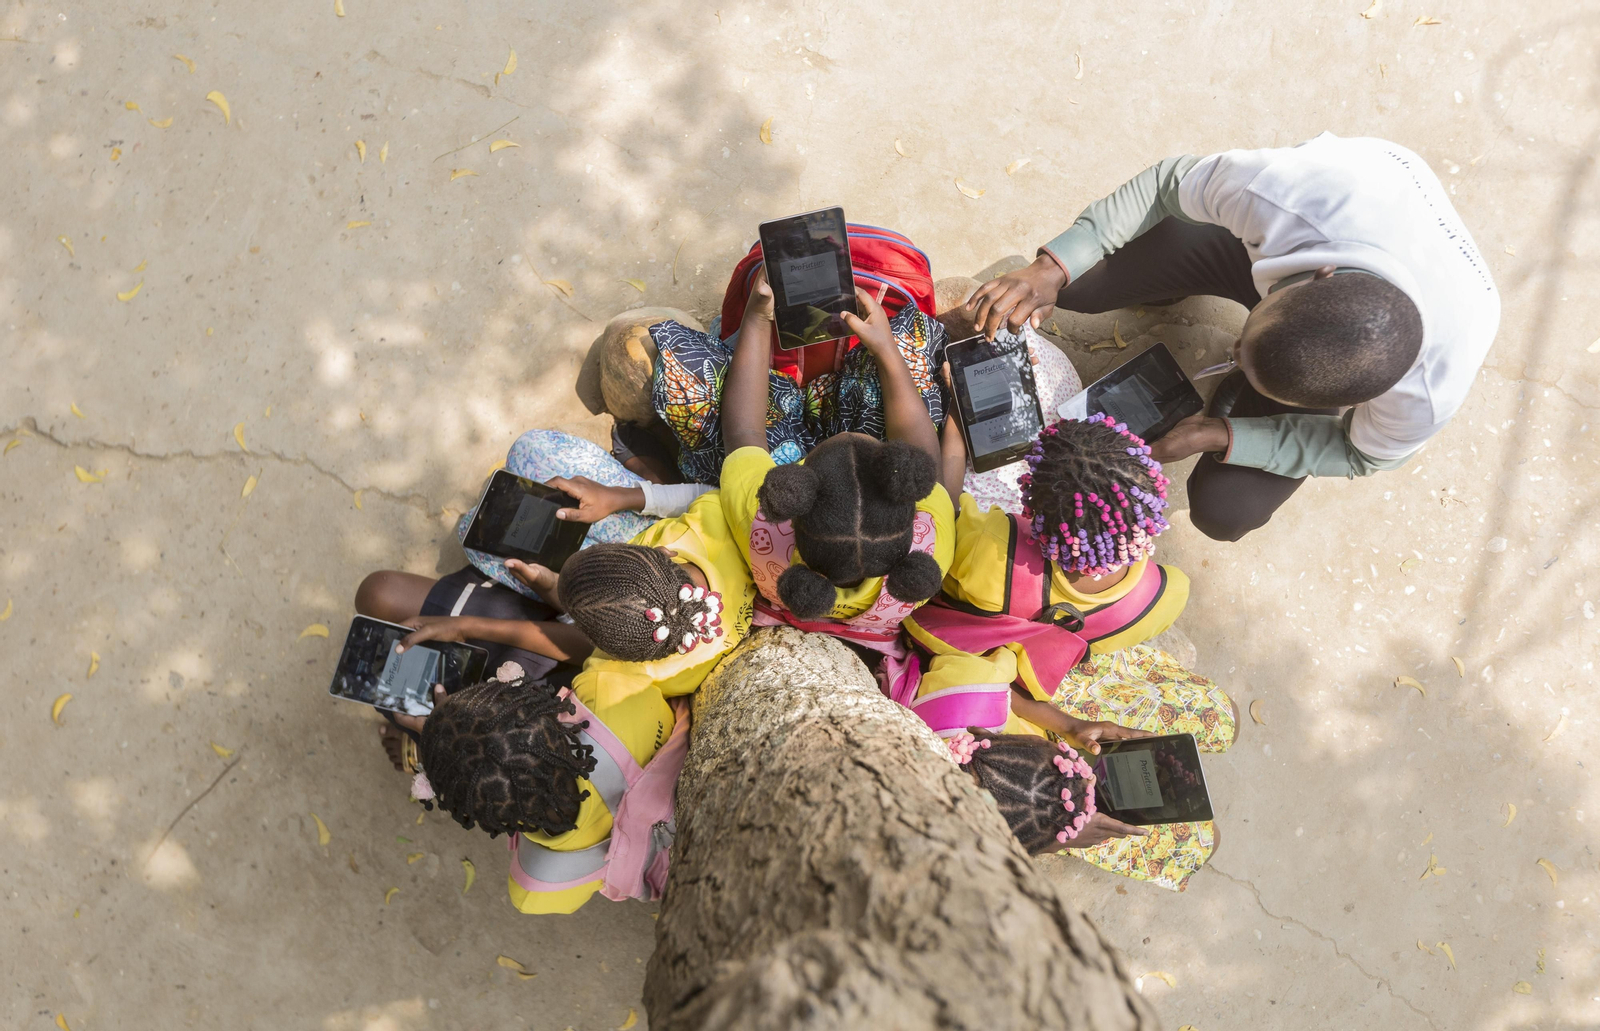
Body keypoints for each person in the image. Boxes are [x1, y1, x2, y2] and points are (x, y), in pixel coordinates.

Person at [966, 132, 1500, 541]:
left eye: (1246, 367)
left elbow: (1363, 455)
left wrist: (1221, 435)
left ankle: (1240, 399)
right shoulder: (1296, 198)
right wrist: (1052, 268)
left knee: (1226, 513)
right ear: (1318, 274)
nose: (1231, 356)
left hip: (1348, 303)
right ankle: (1175, 285)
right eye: (1244, 347)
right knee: (1078, 281)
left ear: (1355, 400)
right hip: (1311, 233)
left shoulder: (1426, 394)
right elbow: (1168, 181)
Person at [903, 415, 1236, 890]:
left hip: (1001, 703)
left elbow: (945, 514)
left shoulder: (989, 548)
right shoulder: (1163, 595)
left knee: (1197, 841)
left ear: (1034, 508)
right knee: (1220, 720)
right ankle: (1212, 731)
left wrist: (953, 431)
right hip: (1062, 675)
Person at [393, 672, 689, 914]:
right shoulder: (604, 689)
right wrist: (456, 718)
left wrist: (444, 747)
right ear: (525, 699)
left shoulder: (534, 884)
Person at [651, 266, 947, 486]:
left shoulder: (767, 513)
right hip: (841, 434)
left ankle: (730, 340)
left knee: (686, 381)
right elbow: (925, 465)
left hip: (781, 464)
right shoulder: (919, 535)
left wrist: (757, 316)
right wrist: (887, 351)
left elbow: (743, 435)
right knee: (912, 342)